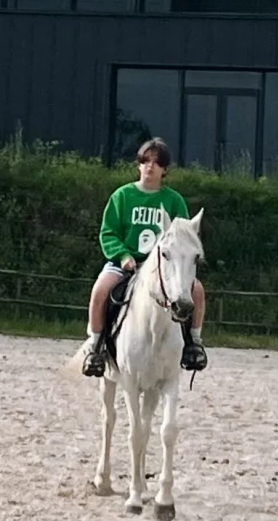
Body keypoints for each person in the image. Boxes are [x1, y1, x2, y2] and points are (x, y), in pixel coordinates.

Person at [80, 137, 207, 379]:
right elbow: (108, 233)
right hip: (125, 263)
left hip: (163, 269)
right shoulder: (122, 196)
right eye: (145, 161)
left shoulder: (174, 201)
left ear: (164, 169)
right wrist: (123, 255)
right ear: (138, 164)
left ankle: (193, 344)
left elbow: (184, 238)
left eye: (157, 163)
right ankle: (95, 346)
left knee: (197, 291)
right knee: (100, 290)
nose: (150, 166)